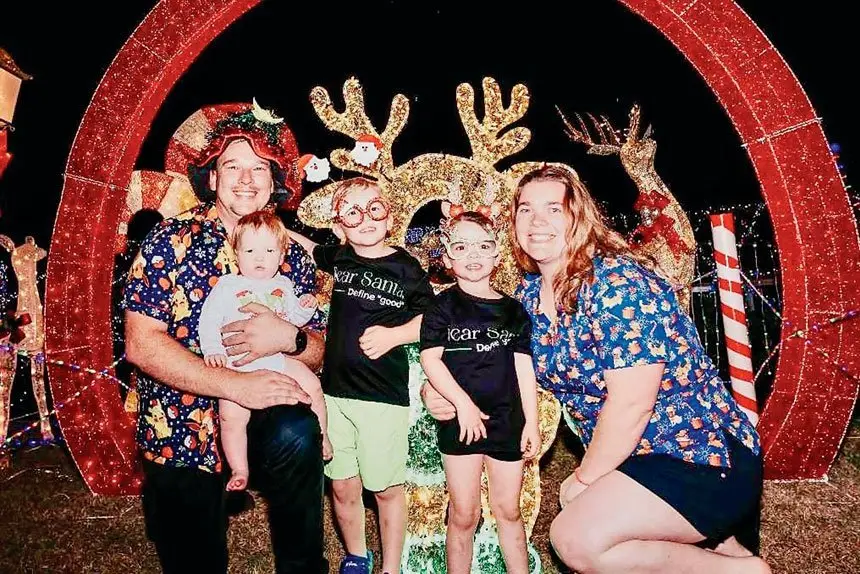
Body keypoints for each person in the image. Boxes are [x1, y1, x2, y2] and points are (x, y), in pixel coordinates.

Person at [423, 165, 770, 573]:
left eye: (554, 209)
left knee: (575, 538)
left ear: (579, 216)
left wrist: (585, 480)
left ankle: (738, 570)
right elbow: (488, 357)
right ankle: (724, 551)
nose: (537, 222)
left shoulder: (618, 282)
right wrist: (439, 392)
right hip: (629, 459)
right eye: (525, 210)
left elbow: (632, 404)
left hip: (696, 454)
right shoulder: (528, 297)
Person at [123, 102, 329, 573]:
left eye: (259, 168)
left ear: (274, 181)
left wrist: (290, 338)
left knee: (298, 430)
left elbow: (319, 350)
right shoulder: (169, 241)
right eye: (231, 166)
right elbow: (141, 342)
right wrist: (233, 386)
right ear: (212, 178)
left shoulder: (292, 253)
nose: (245, 178)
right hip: (179, 421)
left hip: (264, 408)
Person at [288, 176, 435, 574]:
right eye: (353, 212)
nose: (365, 219)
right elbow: (307, 246)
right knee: (341, 484)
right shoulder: (341, 259)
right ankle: (356, 555)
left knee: (385, 489)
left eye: (374, 208)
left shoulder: (404, 266)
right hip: (335, 394)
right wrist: (270, 224)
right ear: (339, 226)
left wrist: (396, 335)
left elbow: (436, 320)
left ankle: (391, 566)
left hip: (381, 397)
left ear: (389, 217)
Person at [419, 210, 540, 574]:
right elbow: (431, 361)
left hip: (507, 420)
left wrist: (531, 423)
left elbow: (523, 368)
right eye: (462, 246)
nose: (473, 255)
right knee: (463, 513)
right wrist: (462, 405)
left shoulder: (514, 311)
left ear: (497, 254)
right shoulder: (440, 307)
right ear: (448, 257)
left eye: (483, 246)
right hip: (461, 422)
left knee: (509, 509)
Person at [198, 210, 332, 491]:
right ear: (236, 254)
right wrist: (212, 348)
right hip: (236, 363)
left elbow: (291, 321)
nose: (259, 258)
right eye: (250, 250)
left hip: (277, 359)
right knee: (231, 417)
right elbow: (208, 319)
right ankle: (239, 469)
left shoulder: (284, 285)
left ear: (282, 256)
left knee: (312, 386)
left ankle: (324, 436)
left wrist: (305, 307)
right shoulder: (227, 286)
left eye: (269, 250)